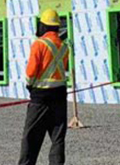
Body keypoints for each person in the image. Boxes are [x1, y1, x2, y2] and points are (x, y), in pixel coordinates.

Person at [18, 8, 70, 165]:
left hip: (40, 97)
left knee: (31, 137)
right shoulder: (64, 47)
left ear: (44, 26)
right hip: (60, 96)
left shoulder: (39, 44)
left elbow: (32, 71)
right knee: (57, 138)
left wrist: (29, 84)